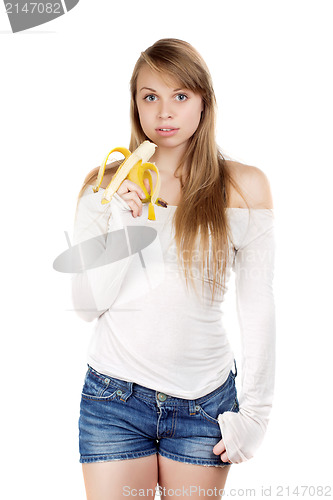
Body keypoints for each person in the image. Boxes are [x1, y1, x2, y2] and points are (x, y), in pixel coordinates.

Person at [71, 38, 276, 499]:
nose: (165, 112)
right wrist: (127, 224)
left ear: (203, 102)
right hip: (114, 400)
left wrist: (256, 417)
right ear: (136, 106)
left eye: (180, 96)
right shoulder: (105, 188)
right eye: (151, 97)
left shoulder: (242, 187)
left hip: (205, 404)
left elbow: (258, 304)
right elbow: (87, 306)